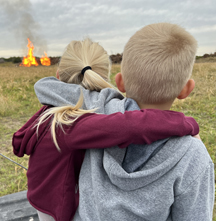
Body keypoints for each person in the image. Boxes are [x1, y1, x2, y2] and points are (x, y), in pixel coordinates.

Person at [34, 24, 215, 220]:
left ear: (119, 82)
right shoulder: (193, 156)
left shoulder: (95, 115)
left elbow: (49, 87)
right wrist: (183, 124)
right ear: (186, 89)